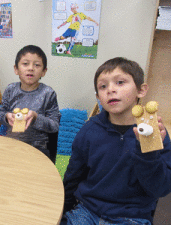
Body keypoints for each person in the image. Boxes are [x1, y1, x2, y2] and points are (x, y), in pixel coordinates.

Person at [61, 57, 171, 225]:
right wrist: (63, 210)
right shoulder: (89, 130)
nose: (110, 90)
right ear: (98, 97)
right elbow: (73, 175)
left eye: (120, 82)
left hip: (132, 216)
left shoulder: (155, 133)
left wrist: (147, 153)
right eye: (103, 86)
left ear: (141, 90)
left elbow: (161, 188)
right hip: (87, 210)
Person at [0, 45, 61, 160]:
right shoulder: (10, 90)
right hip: (13, 143)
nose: (31, 68)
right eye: (25, 64)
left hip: (38, 147)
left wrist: (36, 118)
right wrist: (7, 116)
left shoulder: (48, 93)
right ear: (16, 69)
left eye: (37, 65)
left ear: (43, 71)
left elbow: (54, 126)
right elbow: (1, 113)